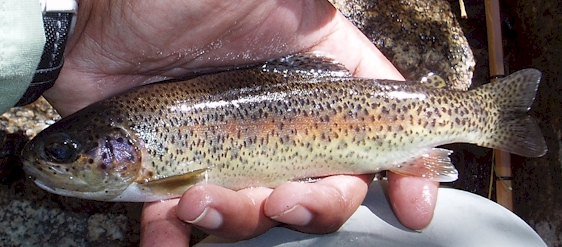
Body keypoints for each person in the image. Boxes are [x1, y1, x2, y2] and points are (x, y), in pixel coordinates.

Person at [3, 1, 439, 246]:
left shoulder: (153, 170)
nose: (53, 160)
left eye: (62, 153)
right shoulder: (131, 121)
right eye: (61, 153)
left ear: (119, 147)